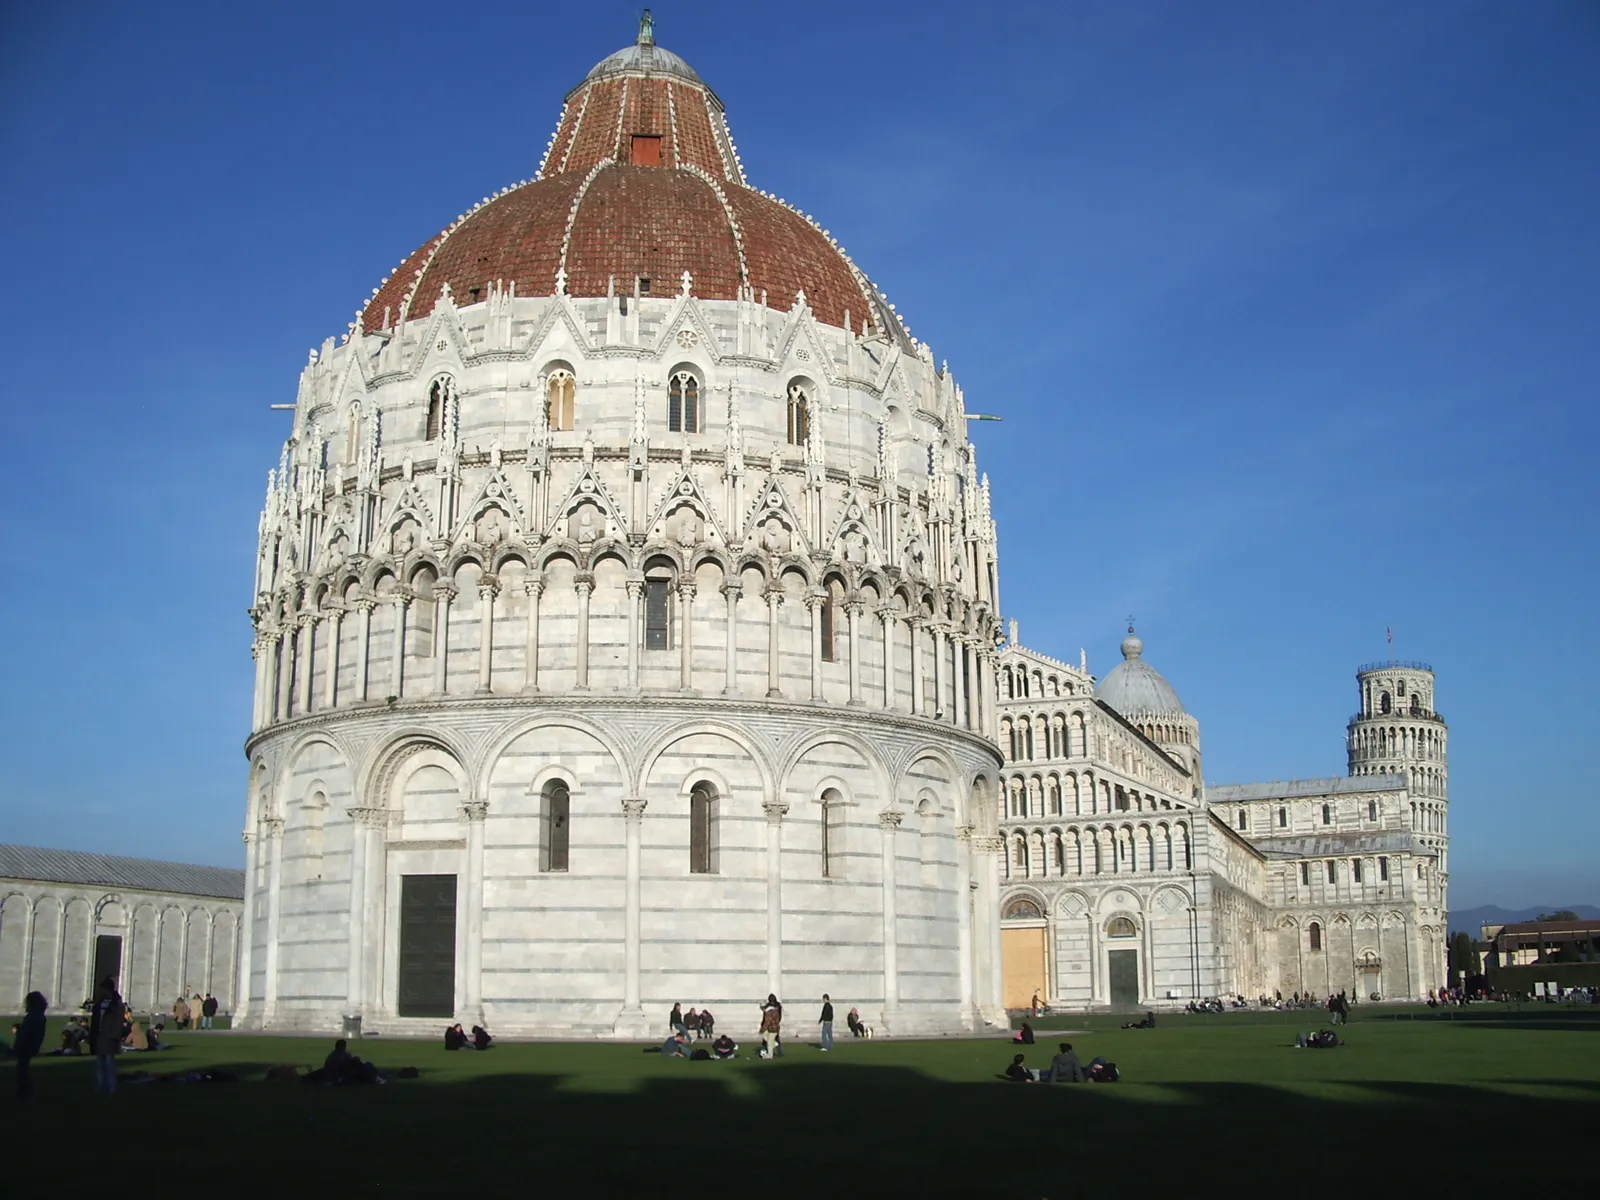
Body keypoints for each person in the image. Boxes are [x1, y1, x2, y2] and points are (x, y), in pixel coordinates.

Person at [88, 976, 123, 1093]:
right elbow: (95, 1019)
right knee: (100, 1062)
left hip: (109, 1037)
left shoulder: (116, 1004)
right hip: (99, 1035)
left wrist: (115, 1035)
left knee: (109, 1062)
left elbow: (118, 1021)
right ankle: (101, 1084)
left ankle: (112, 1085)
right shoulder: (99, 1003)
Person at [14, 991, 46, 1098]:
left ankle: (25, 1089)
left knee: (22, 1067)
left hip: (26, 1044)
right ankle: (26, 1088)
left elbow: (26, 1033)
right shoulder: (40, 1016)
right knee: (24, 1066)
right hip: (33, 1044)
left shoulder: (32, 1016)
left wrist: (19, 1032)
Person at [759, 994, 784, 1058]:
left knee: (770, 1040)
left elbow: (767, 1021)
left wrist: (762, 1029)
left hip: (772, 1026)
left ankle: (770, 1054)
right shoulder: (776, 1007)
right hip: (774, 1025)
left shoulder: (769, 1011)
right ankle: (774, 1046)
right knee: (768, 1038)